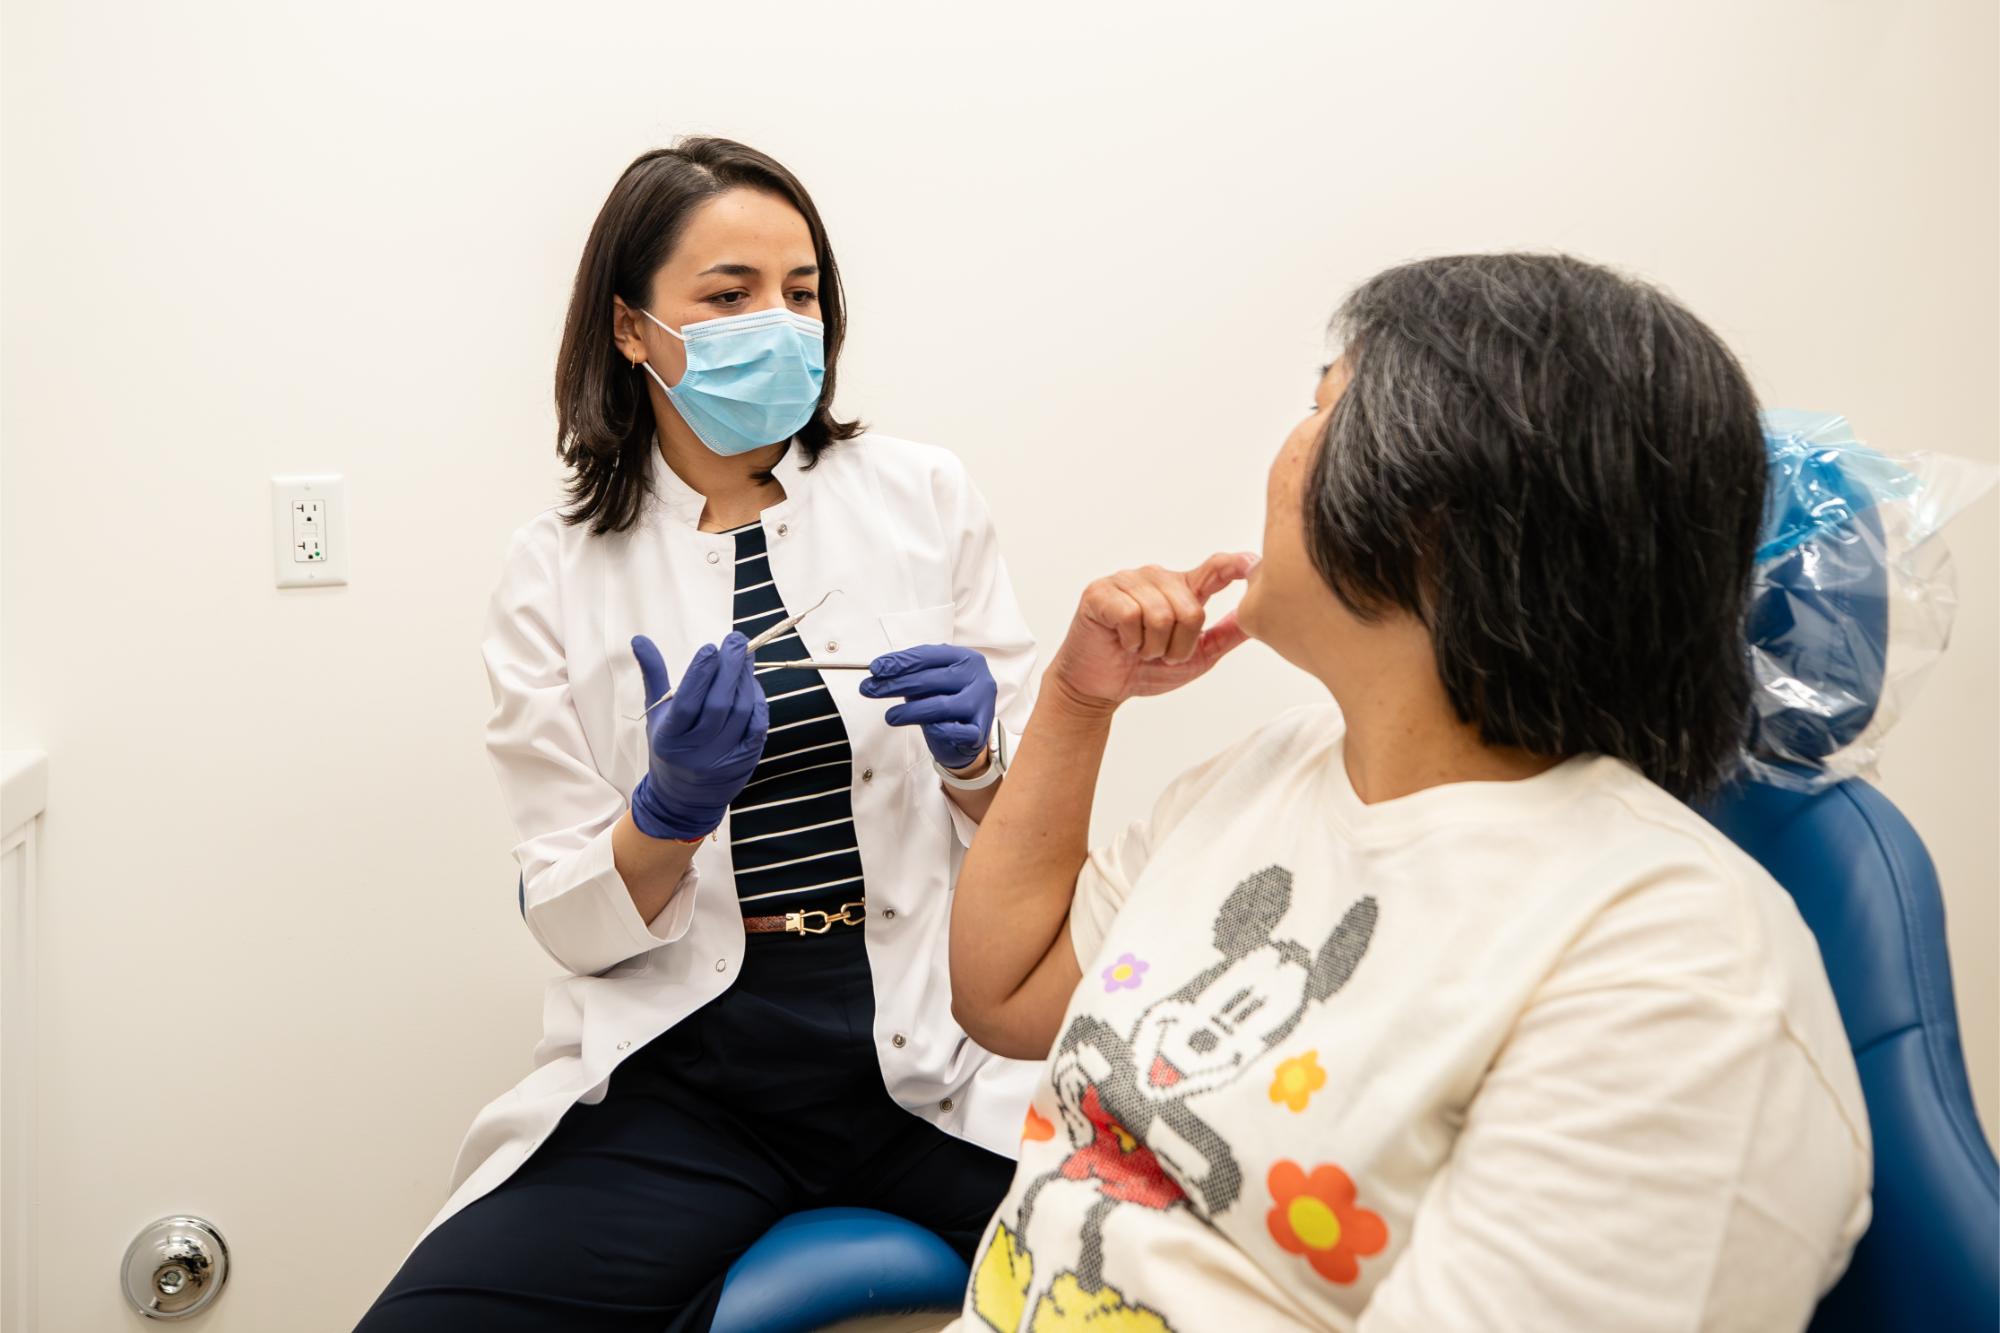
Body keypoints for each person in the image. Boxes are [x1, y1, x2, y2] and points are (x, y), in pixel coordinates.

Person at [947, 254, 1871, 1331]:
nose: (1284, 446)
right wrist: (1073, 700)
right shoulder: (1274, 770)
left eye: (1319, 404)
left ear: (1430, 506)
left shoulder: (1675, 966)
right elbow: (1005, 996)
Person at [358, 137, 1036, 1332]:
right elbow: (567, 920)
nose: (778, 321)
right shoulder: (554, 573)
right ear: (632, 329)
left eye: (802, 291)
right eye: (728, 296)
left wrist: (978, 763)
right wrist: (663, 816)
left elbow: (1036, 849)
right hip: (694, 1067)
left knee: (1182, 1267)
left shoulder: (924, 497)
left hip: (929, 1046)